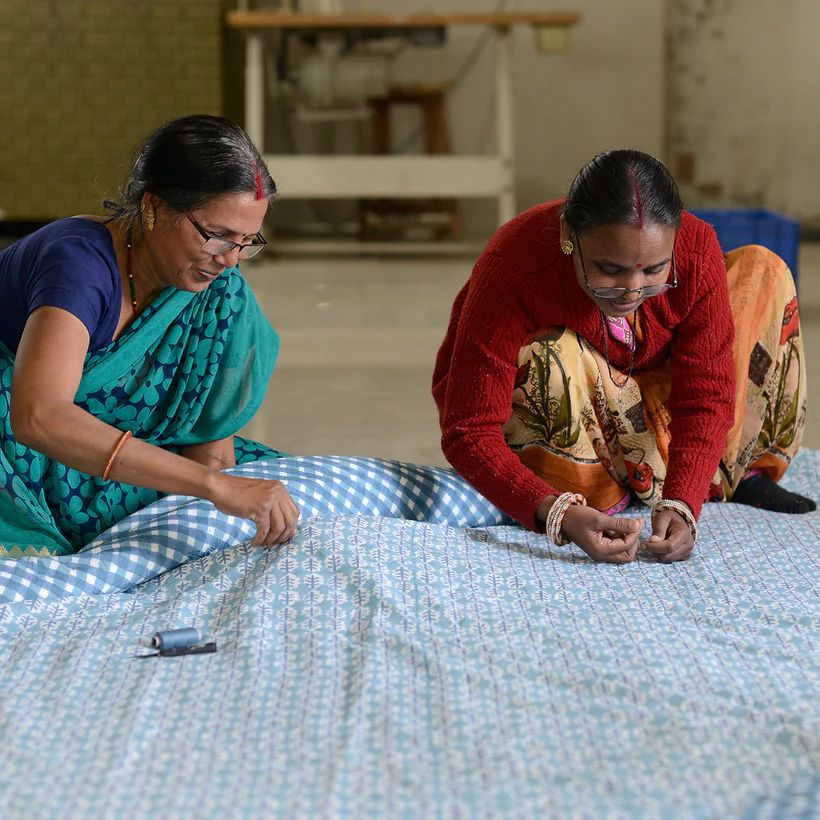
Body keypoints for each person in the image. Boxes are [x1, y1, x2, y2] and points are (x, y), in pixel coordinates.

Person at [433, 148, 814, 565]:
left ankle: (730, 472)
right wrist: (557, 513)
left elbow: (706, 395)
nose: (633, 289)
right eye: (609, 269)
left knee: (764, 270)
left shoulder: (695, 246)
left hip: (660, 417)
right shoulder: (513, 262)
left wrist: (684, 502)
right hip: (592, 433)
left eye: (654, 271)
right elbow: (469, 429)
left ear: (675, 237)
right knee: (547, 353)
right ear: (567, 234)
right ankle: (597, 495)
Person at [0, 115, 300, 557]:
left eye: (247, 241)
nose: (231, 260)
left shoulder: (218, 294)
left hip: (112, 449)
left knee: (284, 499)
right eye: (217, 237)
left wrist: (218, 513)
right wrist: (212, 487)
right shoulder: (79, 264)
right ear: (153, 207)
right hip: (18, 440)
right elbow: (38, 416)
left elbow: (208, 445)